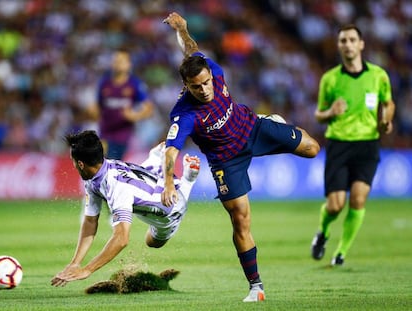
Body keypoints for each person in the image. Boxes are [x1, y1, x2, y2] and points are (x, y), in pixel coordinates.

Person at [161, 12, 320, 302]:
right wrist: (169, 184)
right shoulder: (183, 115)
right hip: (226, 161)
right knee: (241, 219)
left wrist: (182, 28)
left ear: (210, 74)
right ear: (185, 86)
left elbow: (190, 49)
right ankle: (256, 287)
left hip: (252, 128)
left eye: (207, 82)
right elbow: (171, 150)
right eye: (196, 87)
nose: (205, 90)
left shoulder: (213, 69)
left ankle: (272, 119)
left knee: (313, 149)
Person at [51, 130, 200, 287]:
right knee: (143, 178)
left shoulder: (117, 188)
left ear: (80, 164)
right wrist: (75, 263)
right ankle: (156, 157)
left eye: (73, 161)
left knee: (152, 242)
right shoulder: (96, 174)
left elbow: (121, 239)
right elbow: (90, 222)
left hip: (170, 205)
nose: (73, 166)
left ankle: (187, 181)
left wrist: (87, 270)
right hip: (149, 180)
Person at [310, 24, 395, 266]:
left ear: (361, 44)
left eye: (351, 40)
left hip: (368, 145)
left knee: (358, 199)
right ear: (339, 46)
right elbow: (318, 114)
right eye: (343, 40)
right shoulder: (330, 78)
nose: (347, 44)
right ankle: (323, 232)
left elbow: (388, 103)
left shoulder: (378, 75)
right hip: (339, 144)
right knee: (336, 206)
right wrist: (330, 112)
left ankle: (341, 253)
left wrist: (386, 120)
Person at [86, 48, 154, 160]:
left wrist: (135, 116)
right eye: (115, 60)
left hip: (122, 135)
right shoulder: (105, 83)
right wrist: (92, 111)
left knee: (112, 163)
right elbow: (97, 106)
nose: (117, 63)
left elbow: (148, 108)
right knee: (100, 161)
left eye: (121, 61)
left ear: (129, 65)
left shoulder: (134, 84)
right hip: (105, 131)